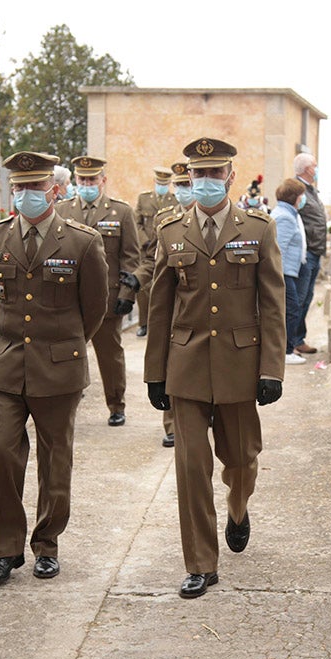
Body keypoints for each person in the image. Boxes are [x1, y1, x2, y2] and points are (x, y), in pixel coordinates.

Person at [144, 137, 286, 599]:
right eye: (196, 174)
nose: (204, 182)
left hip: (240, 366)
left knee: (242, 459)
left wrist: (273, 369)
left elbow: (273, 303)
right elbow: (159, 308)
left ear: (230, 175)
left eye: (213, 174)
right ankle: (202, 564)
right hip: (185, 365)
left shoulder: (259, 229)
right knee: (190, 467)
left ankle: (238, 506)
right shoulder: (170, 231)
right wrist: (155, 374)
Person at [0, 151, 109, 585]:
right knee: (1, 455)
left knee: (55, 459)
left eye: (34, 187)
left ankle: (46, 544)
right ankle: (6, 548)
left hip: (58, 368)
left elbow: (94, 310)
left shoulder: (82, 241)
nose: (26, 195)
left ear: (54, 189)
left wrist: (64, 345)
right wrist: (6, 341)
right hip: (5, 365)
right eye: (19, 188)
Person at [55, 156, 140, 427]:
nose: (87, 184)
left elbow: (131, 258)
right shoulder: (63, 211)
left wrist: (127, 295)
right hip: (69, 299)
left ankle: (116, 404)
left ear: (103, 181)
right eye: (82, 180)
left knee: (110, 355)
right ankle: (65, 403)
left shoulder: (121, 212)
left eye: (92, 179)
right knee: (68, 354)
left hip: (107, 297)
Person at [132, 161, 194, 448]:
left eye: (187, 184)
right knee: (169, 360)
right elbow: (154, 262)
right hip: (174, 305)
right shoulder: (165, 220)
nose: (184, 190)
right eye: (180, 185)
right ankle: (171, 424)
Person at [134, 166, 177, 337]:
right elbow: (136, 222)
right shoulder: (144, 199)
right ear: (154, 182)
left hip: (167, 248)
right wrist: (145, 241)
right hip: (147, 249)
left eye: (165, 183)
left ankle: (163, 321)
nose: (162, 185)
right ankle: (144, 323)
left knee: (164, 284)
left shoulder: (174, 200)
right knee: (144, 287)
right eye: (159, 182)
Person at [271, 179, 309, 366]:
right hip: (284, 272)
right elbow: (279, 249)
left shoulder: (288, 213)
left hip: (289, 271)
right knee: (291, 310)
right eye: (301, 195)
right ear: (294, 197)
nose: (303, 199)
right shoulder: (285, 217)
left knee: (290, 310)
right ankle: (285, 351)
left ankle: (287, 349)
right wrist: (279, 276)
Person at [293, 152, 326, 356]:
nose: (317, 168)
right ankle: (293, 341)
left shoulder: (311, 190)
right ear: (307, 169)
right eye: (315, 165)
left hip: (316, 251)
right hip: (305, 253)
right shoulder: (297, 189)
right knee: (300, 297)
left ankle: (298, 338)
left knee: (307, 297)